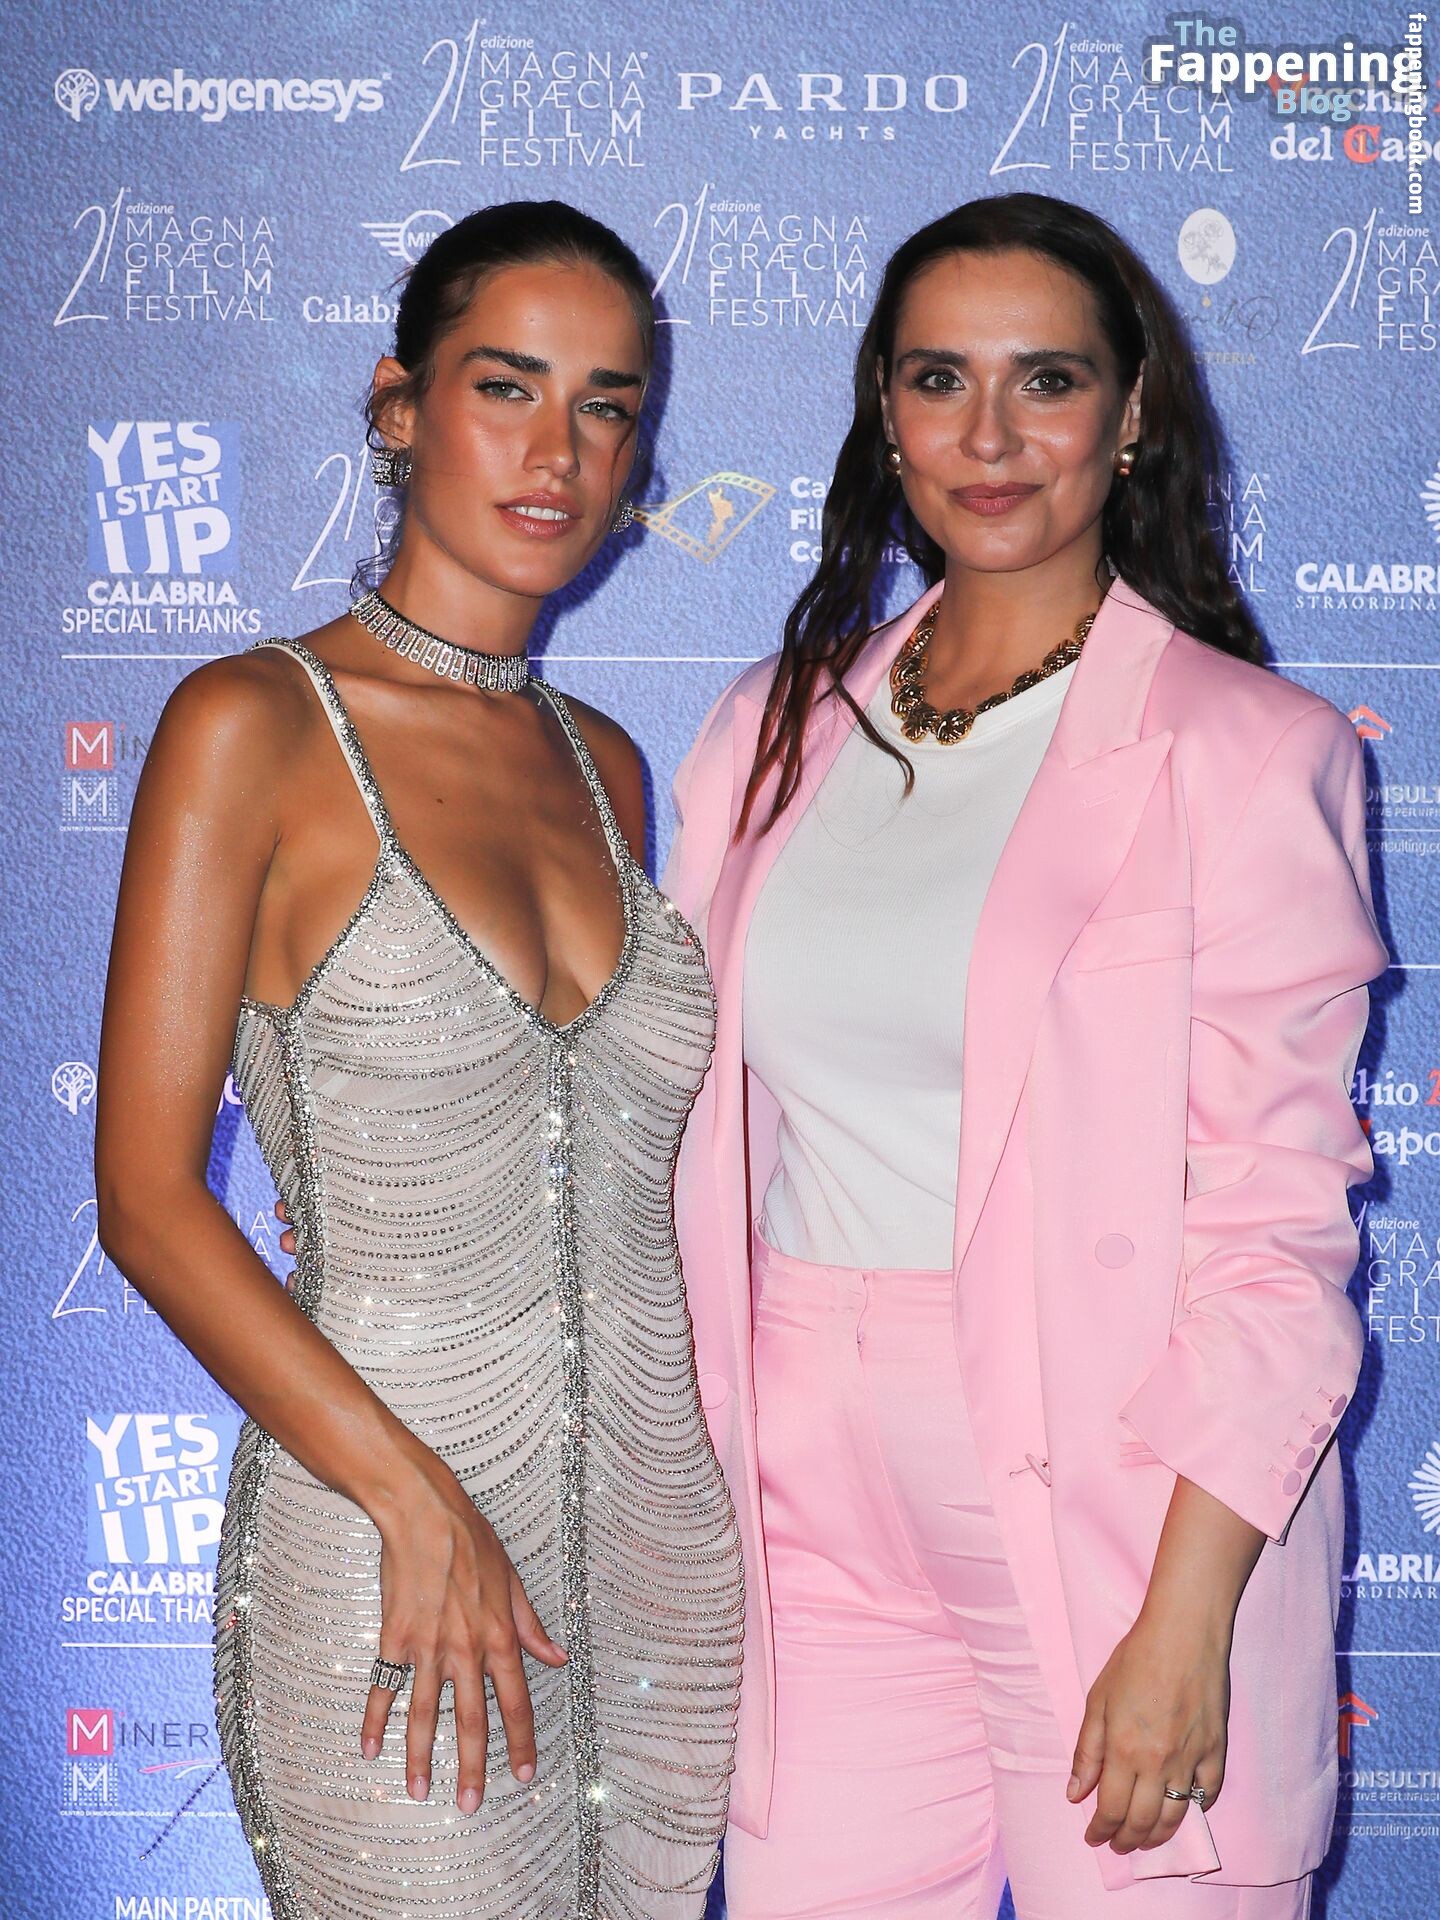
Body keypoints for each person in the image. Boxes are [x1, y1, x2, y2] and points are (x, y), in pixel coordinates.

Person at [658, 193, 1386, 1918]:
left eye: (1046, 380)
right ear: (885, 411)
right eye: (940, 380)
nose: (989, 436)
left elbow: (1275, 1233)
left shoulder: (1245, 751)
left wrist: (1190, 1615)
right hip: (799, 1503)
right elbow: (677, 1110)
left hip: (1115, 1505)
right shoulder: (770, 727)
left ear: (1130, 416)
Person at [93, 199, 744, 1920]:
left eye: (606, 407)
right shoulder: (249, 725)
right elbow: (147, 1201)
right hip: (389, 1543)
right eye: (506, 387)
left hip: (661, 1569)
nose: (558, 453)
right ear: (401, 407)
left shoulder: (605, 765)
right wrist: (415, 1500)